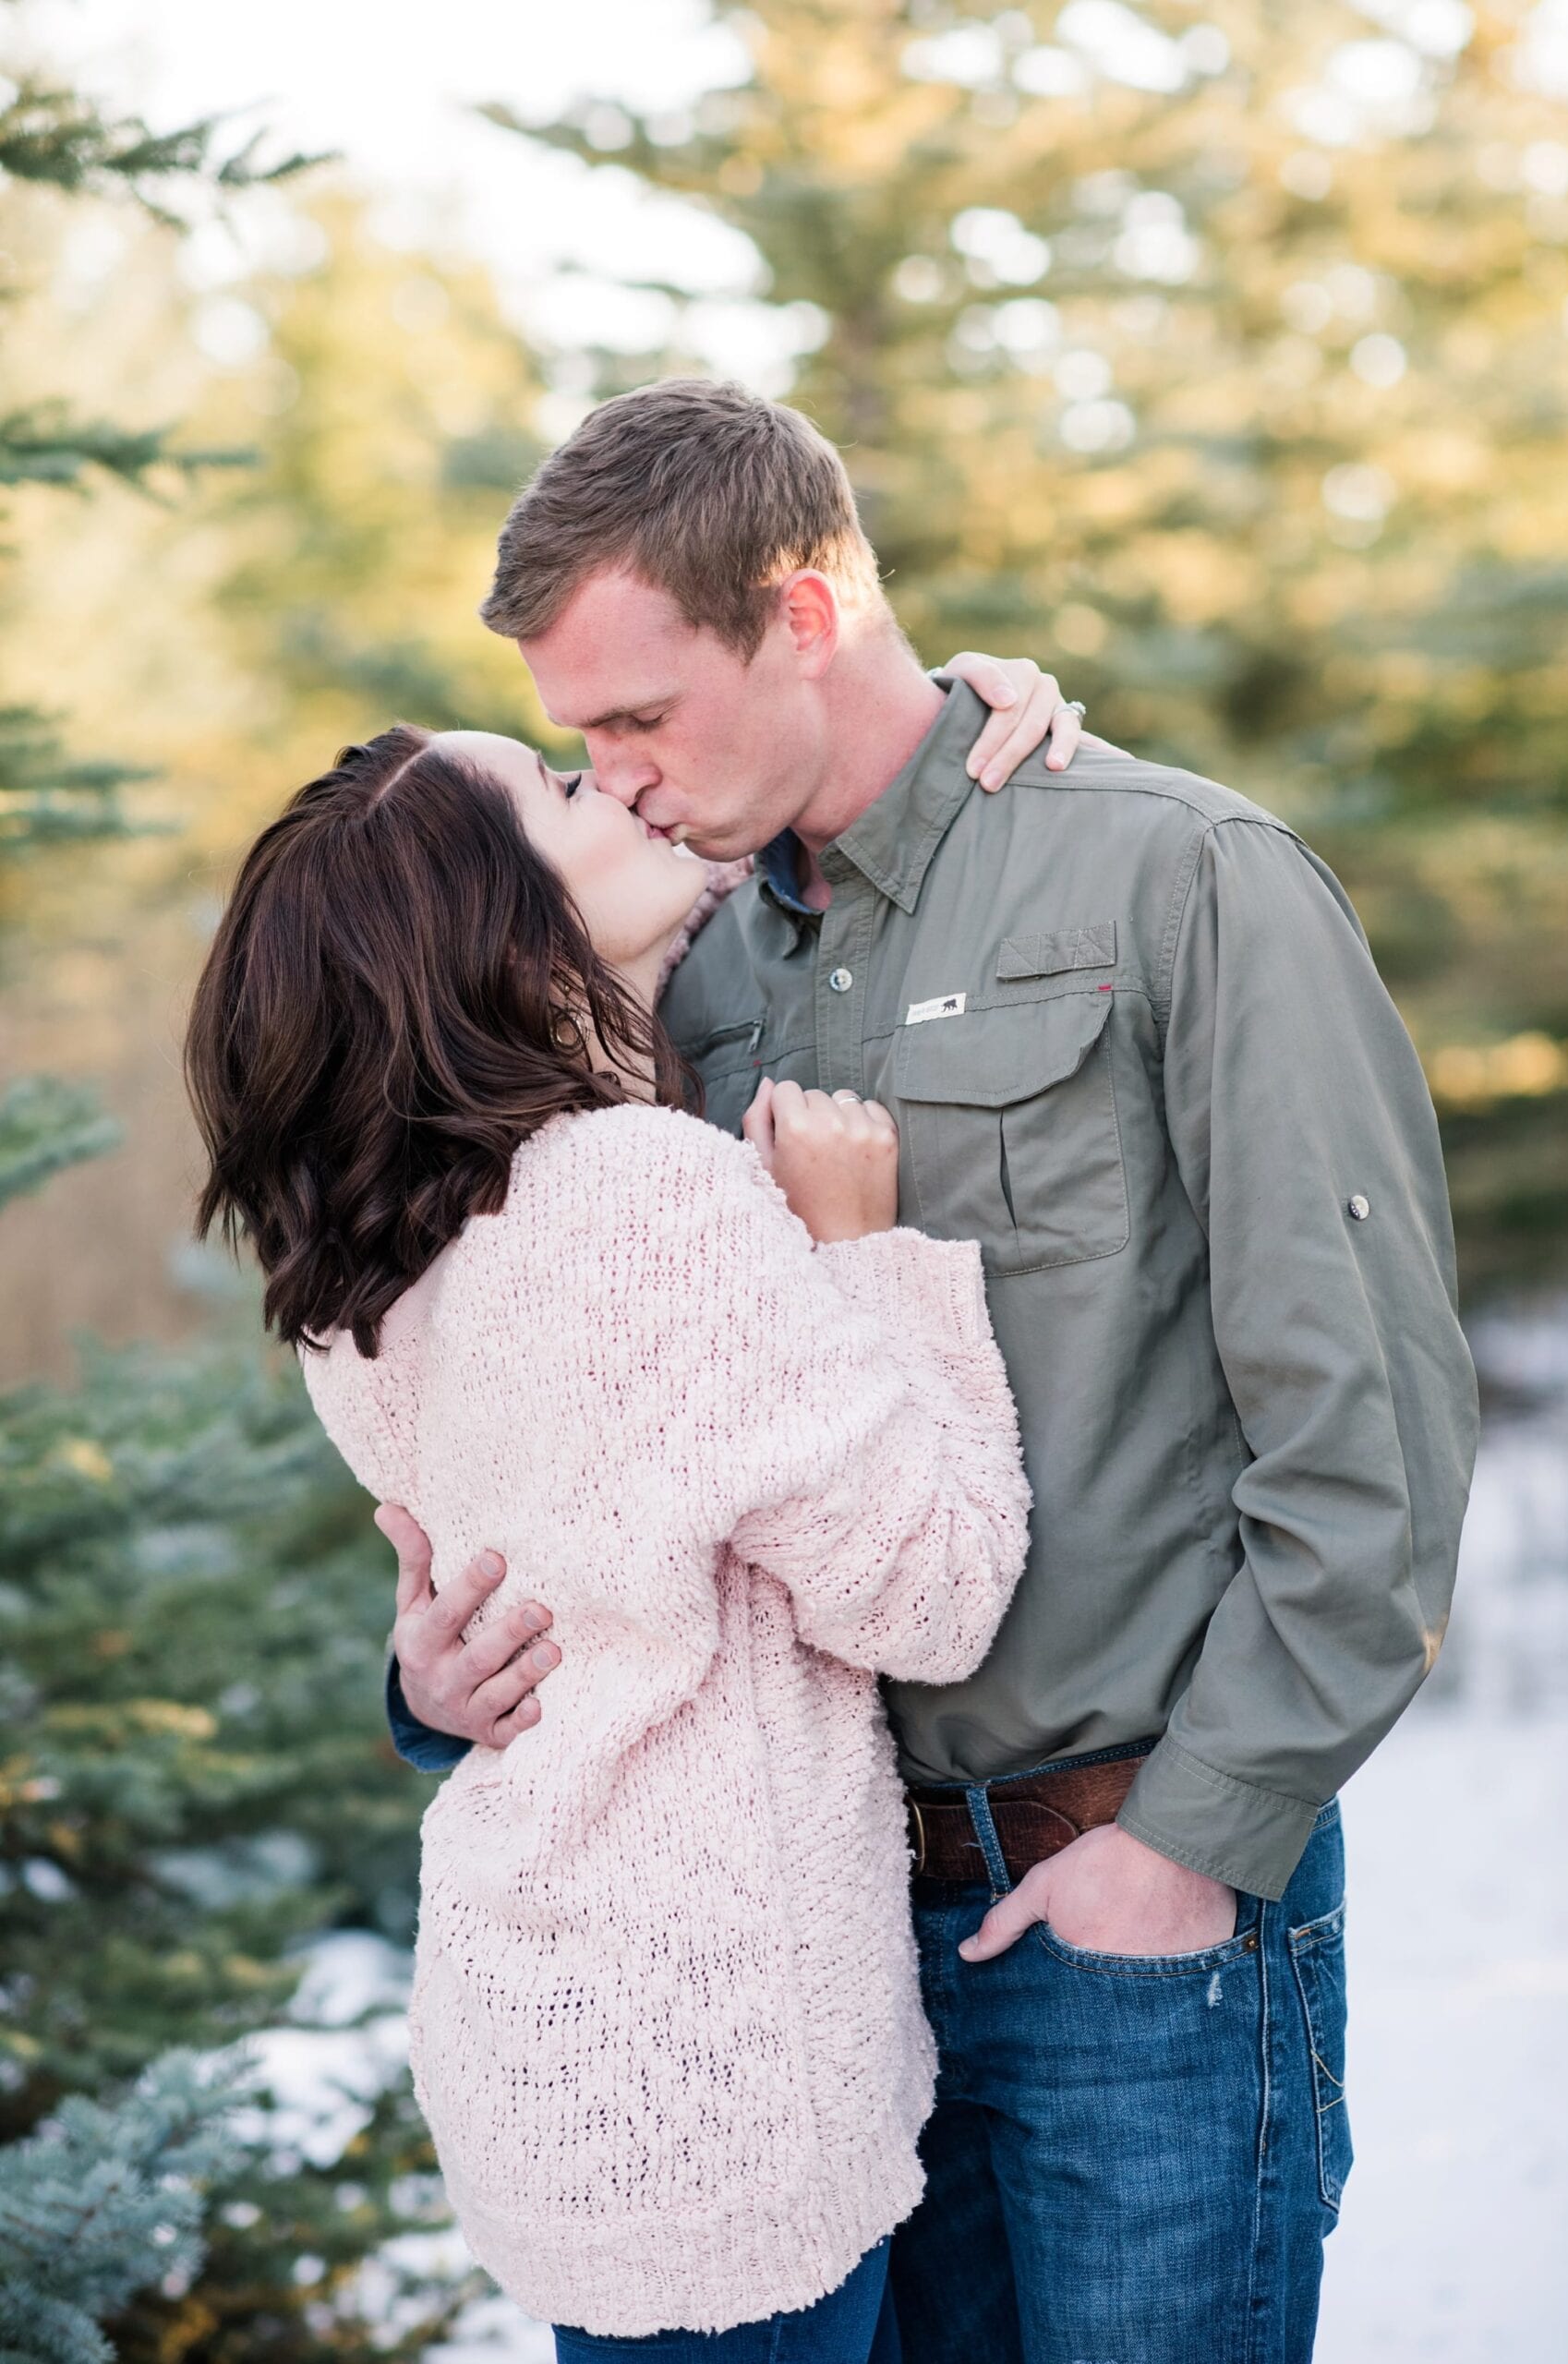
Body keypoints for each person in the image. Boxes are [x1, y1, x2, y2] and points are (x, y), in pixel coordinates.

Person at [383, 379, 1481, 2364]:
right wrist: (429, 1680)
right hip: (806, 1966)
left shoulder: (1175, 882)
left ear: (803, 614)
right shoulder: (664, 959)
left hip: (1129, 1910)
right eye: (580, 739)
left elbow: (1373, 1433)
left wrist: (1191, 1847)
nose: (612, 779)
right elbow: (541, 1394)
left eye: (640, 716)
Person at [184, 672, 1093, 2354]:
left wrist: (988, 692)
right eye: (556, 785)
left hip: (554, 2044)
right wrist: (861, 1253)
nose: (616, 784)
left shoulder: (372, 1276)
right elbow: (932, 1596)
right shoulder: (637, 1195)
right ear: (504, 931)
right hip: (719, 2077)